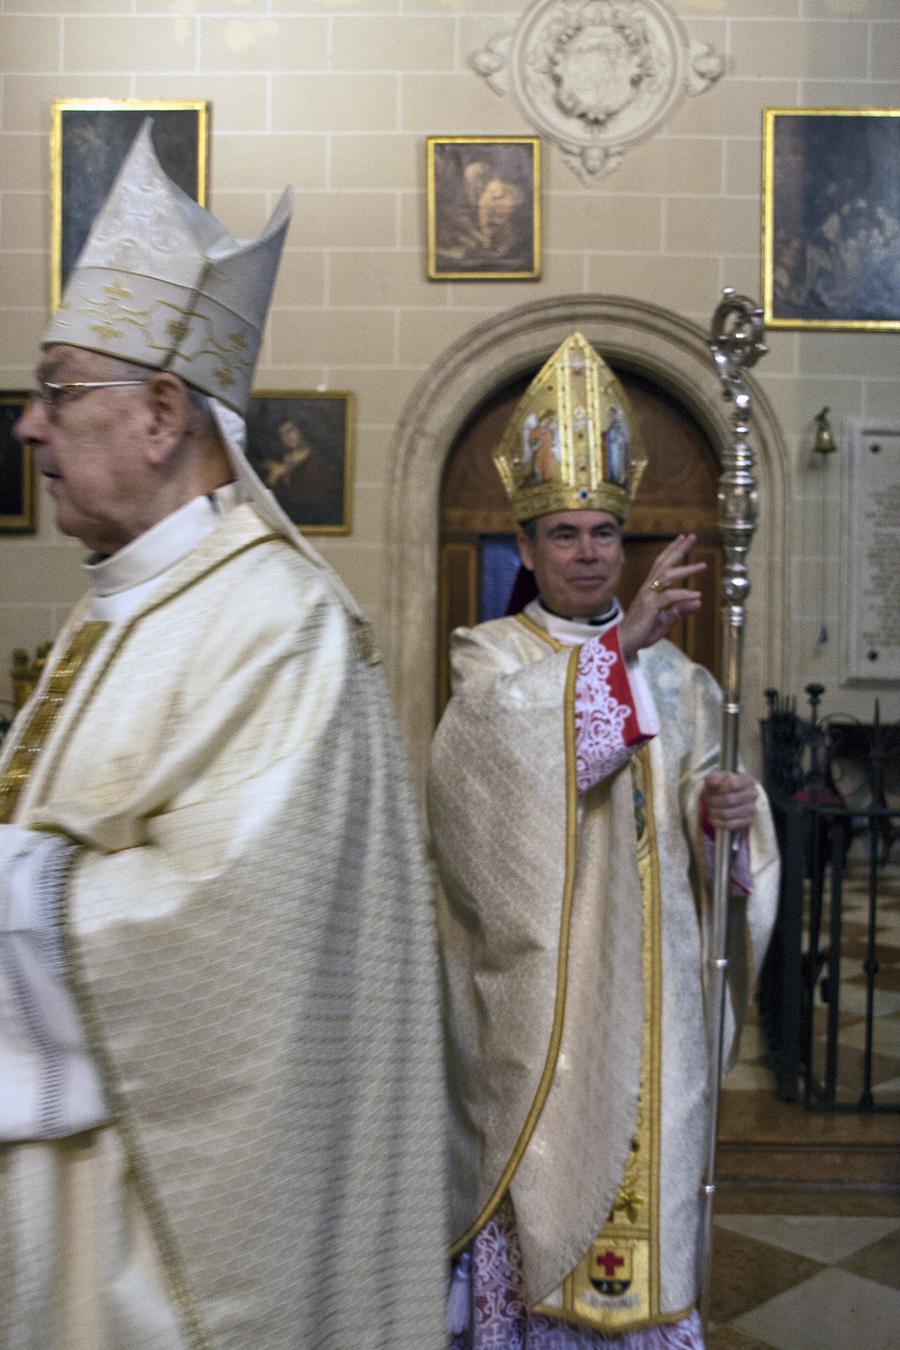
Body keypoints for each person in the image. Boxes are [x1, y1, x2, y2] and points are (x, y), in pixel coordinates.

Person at [0, 122, 445, 1349]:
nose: (30, 426)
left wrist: (15, 887)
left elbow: (237, 932)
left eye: (57, 390)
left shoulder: (275, 622)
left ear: (158, 412)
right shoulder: (127, 599)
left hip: (169, 1241)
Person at [429, 333, 779, 1348]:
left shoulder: (686, 683)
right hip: (542, 1027)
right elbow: (482, 787)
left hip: (653, 1025)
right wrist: (620, 650)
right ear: (527, 548)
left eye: (605, 535)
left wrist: (729, 827)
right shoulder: (489, 658)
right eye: (566, 534)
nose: (589, 553)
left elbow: (725, 868)